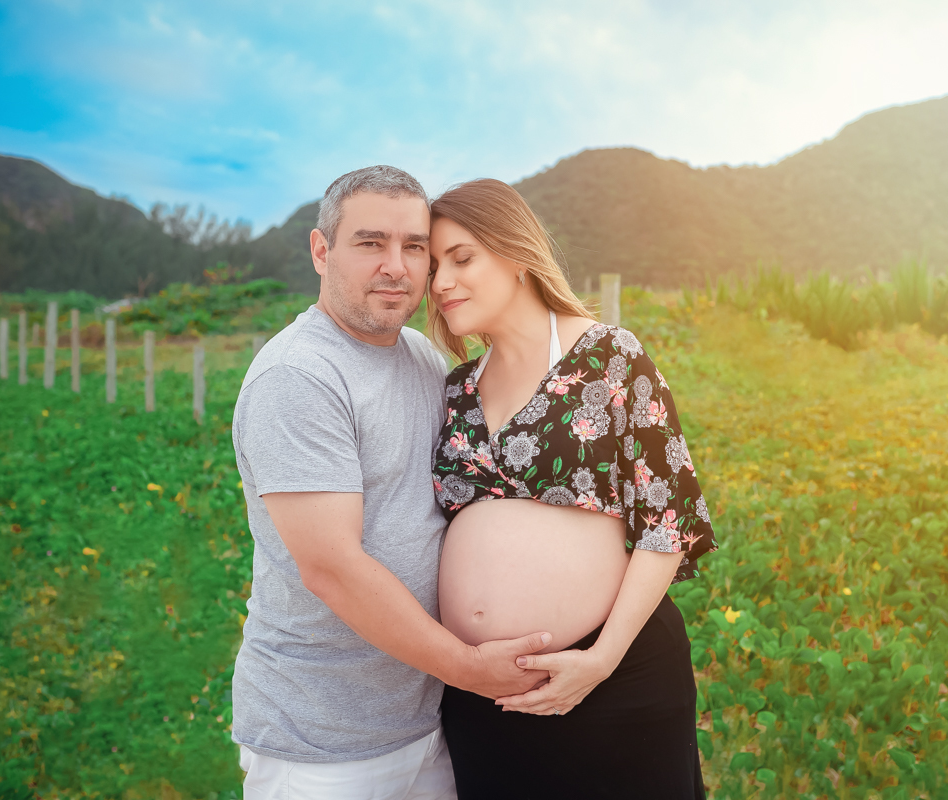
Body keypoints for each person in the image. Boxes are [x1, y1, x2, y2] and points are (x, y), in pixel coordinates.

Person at [230, 166, 551, 800]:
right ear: (322, 252)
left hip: (425, 719)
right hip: (323, 741)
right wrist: (469, 669)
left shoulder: (423, 358)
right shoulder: (299, 377)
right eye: (370, 243)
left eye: (414, 248)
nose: (397, 267)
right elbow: (332, 567)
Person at [427, 178, 718, 798]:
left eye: (461, 258)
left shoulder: (610, 355)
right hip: (485, 701)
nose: (440, 282)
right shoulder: (455, 389)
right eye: (433, 267)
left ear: (514, 254)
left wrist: (601, 659)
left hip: (615, 679)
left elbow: (666, 520)